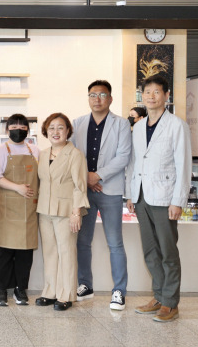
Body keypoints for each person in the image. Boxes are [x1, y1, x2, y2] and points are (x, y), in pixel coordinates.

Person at [126, 75, 191, 322]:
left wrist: (178, 201)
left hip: (165, 199)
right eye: (147, 92)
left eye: (156, 92)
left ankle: (171, 303)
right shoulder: (139, 126)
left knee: (167, 251)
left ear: (166, 95)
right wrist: (131, 194)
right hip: (142, 197)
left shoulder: (177, 126)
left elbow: (183, 165)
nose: (151, 96)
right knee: (150, 251)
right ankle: (159, 296)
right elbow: (134, 162)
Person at [71, 80, 131, 310]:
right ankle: (85, 284)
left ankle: (119, 290)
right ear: (88, 98)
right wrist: (87, 177)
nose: (97, 99)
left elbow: (123, 156)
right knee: (83, 241)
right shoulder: (78, 124)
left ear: (110, 99)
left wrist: (98, 176)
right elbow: (74, 155)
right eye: (92, 95)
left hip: (110, 190)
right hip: (84, 190)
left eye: (102, 94)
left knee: (115, 242)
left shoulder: (122, 124)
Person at [35, 113, 89, 311]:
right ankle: (50, 291)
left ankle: (66, 294)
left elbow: (79, 186)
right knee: (50, 252)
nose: (55, 132)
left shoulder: (75, 154)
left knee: (66, 252)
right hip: (45, 209)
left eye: (60, 128)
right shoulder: (42, 154)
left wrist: (76, 212)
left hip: (67, 211)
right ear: (45, 131)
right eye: (51, 128)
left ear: (68, 131)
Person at [0, 114, 39, 307]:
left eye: (22, 126)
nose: (18, 129)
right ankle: (2, 289)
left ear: (28, 130)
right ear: (7, 129)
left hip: (29, 208)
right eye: (13, 126)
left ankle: (21, 289)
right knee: (4, 251)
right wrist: (17, 187)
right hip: (7, 207)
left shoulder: (35, 150)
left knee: (25, 252)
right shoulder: (0, 150)